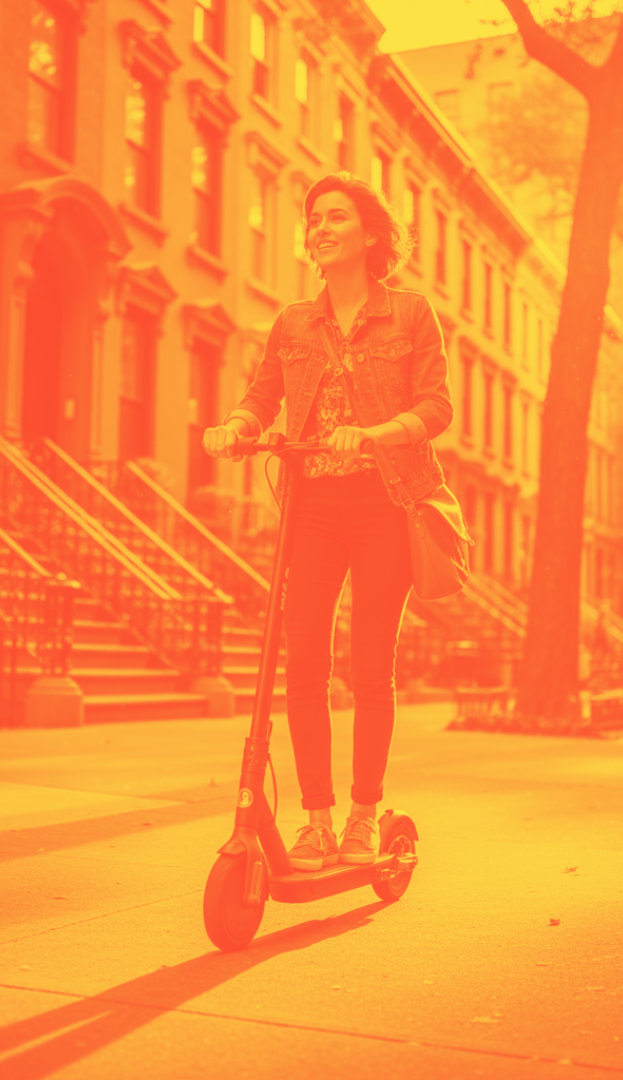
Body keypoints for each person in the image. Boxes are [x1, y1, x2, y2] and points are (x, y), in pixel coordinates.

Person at [203, 172, 452, 871]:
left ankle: (364, 815)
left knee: (371, 667)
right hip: (311, 509)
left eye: (335, 215)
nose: (320, 226)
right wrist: (235, 426)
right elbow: (260, 398)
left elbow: (438, 408)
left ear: (370, 234)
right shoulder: (292, 323)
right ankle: (315, 818)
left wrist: (376, 433)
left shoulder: (410, 313)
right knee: (303, 661)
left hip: (383, 504)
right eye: (313, 218)